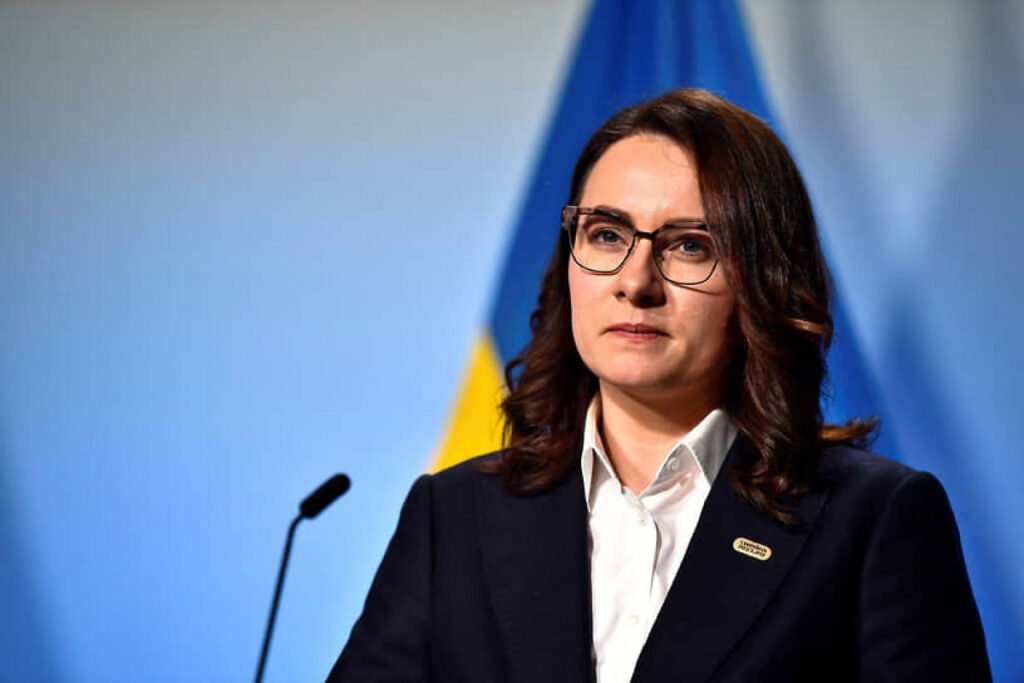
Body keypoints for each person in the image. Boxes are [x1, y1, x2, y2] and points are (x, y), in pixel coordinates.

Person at [328, 89, 990, 682]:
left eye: (690, 245)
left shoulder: (875, 520)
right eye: (606, 234)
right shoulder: (453, 515)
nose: (635, 281)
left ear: (765, 280)